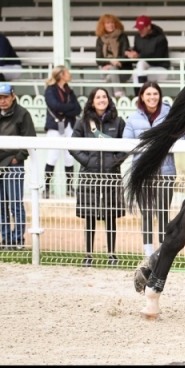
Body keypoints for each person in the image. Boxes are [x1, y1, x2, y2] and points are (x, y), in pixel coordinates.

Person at [69, 87, 127, 266]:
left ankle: (111, 254)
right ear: (92, 101)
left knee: (110, 216)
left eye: (104, 97)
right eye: (98, 97)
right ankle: (88, 255)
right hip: (89, 176)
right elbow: (72, 145)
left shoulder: (118, 122)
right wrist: (88, 162)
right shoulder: (83, 122)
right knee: (90, 216)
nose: (101, 100)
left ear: (108, 100)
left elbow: (126, 146)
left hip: (111, 176)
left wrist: (114, 161)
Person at [124, 81, 176, 260]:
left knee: (163, 212)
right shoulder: (133, 119)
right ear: (142, 97)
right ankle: (148, 252)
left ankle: (162, 252)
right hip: (143, 172)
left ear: (160, 96)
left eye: (155, 94)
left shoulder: (170, 114)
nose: (152, 97)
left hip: (165, 171)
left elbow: (180, 134)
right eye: (148, 94)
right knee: (146, 212)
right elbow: (127, 143)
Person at [0, 84, 36, 250]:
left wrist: (16, 159)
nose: (2, 101)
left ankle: (18, 240)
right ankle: (6, 240)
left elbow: (30, 140)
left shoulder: (22, 114)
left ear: (13, 96)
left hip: (13, 165)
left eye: (5, 97)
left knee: (15, 204)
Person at [43, 65, 82, 199]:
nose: (69, 74)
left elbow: (78, 109)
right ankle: (46, 189)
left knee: (69, 157)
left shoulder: (68, 90)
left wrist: (64, 109)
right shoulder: (50, 90)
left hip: (69, 126)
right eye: (67, 72)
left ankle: (70, 188)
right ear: (60, 74)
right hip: (55, 126)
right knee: (52, 157)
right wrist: (68, 108)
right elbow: (54, 106)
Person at [94, 14, 133, 99]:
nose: (110, 25)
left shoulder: (122, 37)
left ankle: (112, 97)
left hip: (123, 69)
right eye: (107, 23)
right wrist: (111, 62)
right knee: (111, 71)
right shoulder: (100, 39)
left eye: (112, 22)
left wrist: (113, 64)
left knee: (110, 76)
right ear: (103, 25)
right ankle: (119, 95)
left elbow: (126, 56)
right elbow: (98, 59)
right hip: (106, 69)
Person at [125, 15, 169, 84]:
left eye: (142, 28)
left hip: (160, 68)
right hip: (143, 68)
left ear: (148, 27)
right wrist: (130, 53)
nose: (139, 30)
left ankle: (142, 92)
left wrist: (138, 56)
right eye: (138, 28)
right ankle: (140, 93)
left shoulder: (161, 38)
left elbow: (157, 59)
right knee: (136, 70)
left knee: (140, 66)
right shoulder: (137, 37)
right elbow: (137, 50)